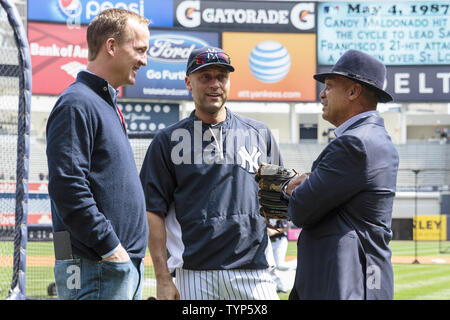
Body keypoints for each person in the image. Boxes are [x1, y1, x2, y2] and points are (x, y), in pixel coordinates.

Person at [140, 46, 281, 300]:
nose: (214, 84)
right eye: (205, 77)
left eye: (221, 77)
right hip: (194, 272)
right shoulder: (167, 141)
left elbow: (277, 203)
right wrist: (162, 278)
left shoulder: (260, 134)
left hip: (254, 271)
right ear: (188, 82)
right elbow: (152, 211)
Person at [46, 8, 150, 300]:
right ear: (112, 46)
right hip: (98, 266)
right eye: (139, 49)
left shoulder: (102, 103)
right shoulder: (77, 103)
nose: (144, 60)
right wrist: (111, 248)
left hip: (111, 266)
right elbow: (67, 187)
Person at [285, 50, 399, 300]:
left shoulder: (354, 144)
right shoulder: (374, 138)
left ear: (353, 92)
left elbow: (301, 209)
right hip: (363, 281)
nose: (322, 94)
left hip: (347, 284)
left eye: (328, 86)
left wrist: (291, 189)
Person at [267, 219, 291, 293]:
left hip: (280, 241)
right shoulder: (264, 214)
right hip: (269, 243)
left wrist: (274, 231)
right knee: (269, 267)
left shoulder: (277, 212)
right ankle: (281, 287)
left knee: (280, 265)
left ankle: (298, 264)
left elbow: (287, 227)